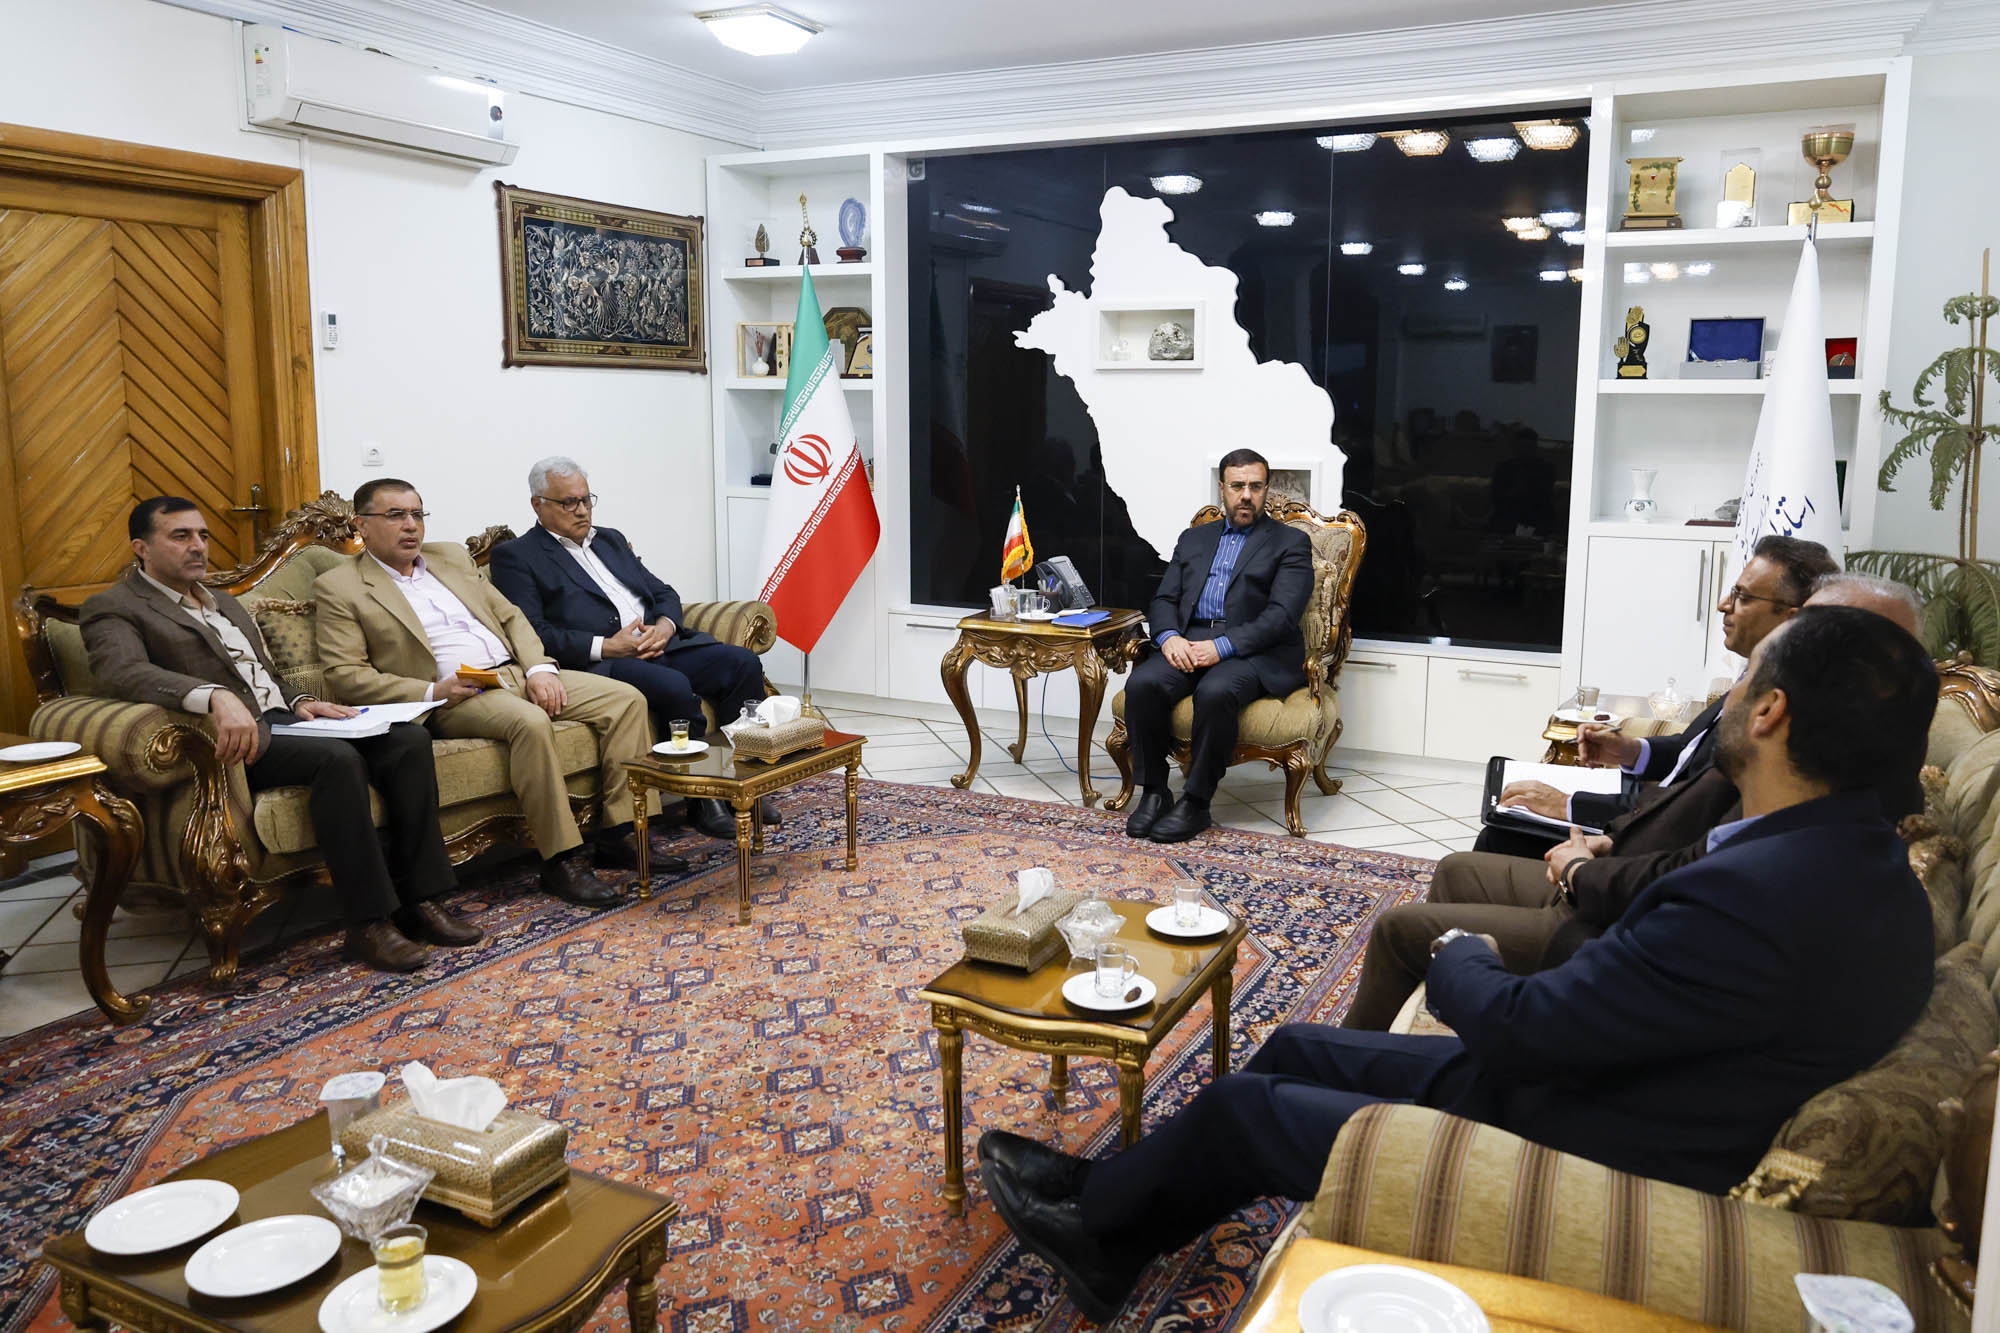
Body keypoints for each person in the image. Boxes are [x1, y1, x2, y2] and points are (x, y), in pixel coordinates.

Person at [979, 605, 1938, 1322]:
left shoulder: (1755, 894)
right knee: (1295, 1048)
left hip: (1575, 1132)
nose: (1725, 696)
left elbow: (1526, 1029)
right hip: (1610, 1078)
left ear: (1770, 711)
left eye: (1743, 680)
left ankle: (1095, 1231)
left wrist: (1460, 957)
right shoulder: (1857, 862)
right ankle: (1116, 1207)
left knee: (1243, 1105)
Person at [1340, 554, 1908, 1031]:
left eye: (1742, 596)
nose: (1723, 606)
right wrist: (1626, 755)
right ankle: (1420, 1021)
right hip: (1613, 862)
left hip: (1608, 905)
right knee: (1458, 867)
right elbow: (1685, 765)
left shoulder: (1794, 771)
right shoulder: (1776, 720)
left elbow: (1692, 859)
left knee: (1417, 912)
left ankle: (1403, 1034)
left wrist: (1580, 857)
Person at [82, 496, 474, 973]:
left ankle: (421, 900)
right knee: (337, 761)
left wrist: (301, 700)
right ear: (141, 547)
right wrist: (211, 696)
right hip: (233, 737)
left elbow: (261, 676)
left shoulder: (222, 601)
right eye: (180, 536)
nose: (198, 546)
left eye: (202, 535)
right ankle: (369, 923)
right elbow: (121, 673)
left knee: (407, 742)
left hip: (284, 720)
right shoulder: (115, 607)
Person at [312, 479, 678, 908]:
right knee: (530, 722)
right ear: (361, 525)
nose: (411, 526)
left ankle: (622, 833)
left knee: (626, 699)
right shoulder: (340, 586)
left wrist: (539, 668)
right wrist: (432, 689)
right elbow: (345, 674)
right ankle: (561, 859)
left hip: (515, 671)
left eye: (417, 514)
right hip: (456, 692)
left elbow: (512, 617)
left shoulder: (449, 558)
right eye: (396, 516)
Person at [488, 457, 776, 842]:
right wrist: (607, 646)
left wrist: (665, 625)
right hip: (603, 662)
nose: (582, 510)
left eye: (586, 499)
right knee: (674, 687)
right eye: (568, 503)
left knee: (741, 663)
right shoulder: (517, 556)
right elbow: (532, 631)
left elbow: (663, 592)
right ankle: (701, 798)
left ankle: (744, 781)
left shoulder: (609, 539)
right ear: (537, 504)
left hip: (660, 642)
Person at [1122, 448, 1314, 843]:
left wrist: (1222, 647)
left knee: (1216, 691)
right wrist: (1169, 638)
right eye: (1237, 486)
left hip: (1252, 650)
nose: (1246, 495)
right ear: (1222, 489)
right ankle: (1155, 792)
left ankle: (1196, 801)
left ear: (1267, 490)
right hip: (1188, 639)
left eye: (1255, 487)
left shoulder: (1290, 542)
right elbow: (1164, 599)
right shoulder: (1194, 538)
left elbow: (1281, 616)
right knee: (1143, 684)